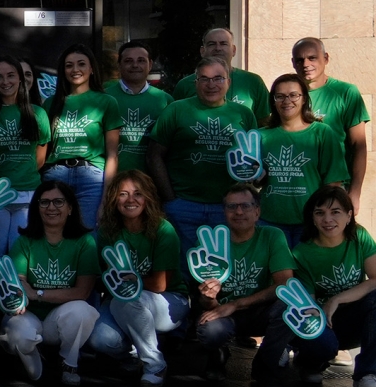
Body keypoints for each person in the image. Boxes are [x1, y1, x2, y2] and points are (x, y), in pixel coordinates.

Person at [87, 170, 191, 387]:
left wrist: (128, 281)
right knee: (99, 339)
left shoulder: (164, 230)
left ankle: (155, 364)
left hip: (169, 300)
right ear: (114, 199)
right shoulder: (107, 232)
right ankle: (132, 357)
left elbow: (160, 284)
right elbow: (107, 279)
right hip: (123, 302)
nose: (130, 199)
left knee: (129, 297)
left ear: (148, 198)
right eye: (123, 194)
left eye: (138, 193)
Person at [188, 184, 299, 382]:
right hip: (224, 314)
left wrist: (236, 304)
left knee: (289, 305)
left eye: (245, 206)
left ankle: (266, 362)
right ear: (224, 212)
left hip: (260, 311)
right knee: (210, 330)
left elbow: (285, 285)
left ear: (257, 212)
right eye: (232, 207)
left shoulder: (272, 236)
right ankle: (218, 354)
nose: (238, 211)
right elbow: (207, 304)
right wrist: (209, 298)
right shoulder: (209, 242)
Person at [147, 58, 258, 254]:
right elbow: (155, 155)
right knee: (183, 268)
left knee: (224, 270)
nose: (211, 85)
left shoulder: (244, 114)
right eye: (204, 79)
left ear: (228, 82)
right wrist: (171, 200)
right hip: (184, 205)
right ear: (195, 82)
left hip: (227, 208)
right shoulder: (176, 110)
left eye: (218, 78)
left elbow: (254, 159)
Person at [0, 182, 100, 386]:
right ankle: (31, 357)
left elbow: (82, 291)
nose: (51, 207)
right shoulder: (25, 240)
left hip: (59, 318)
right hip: (28, 314)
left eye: (58, 202)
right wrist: (22, 295)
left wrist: (37, 294)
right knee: (20, 337)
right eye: (44, 202)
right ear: (37, 208)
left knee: (83, 311)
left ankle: (68, 361)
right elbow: (18, 282)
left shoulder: (84, 242)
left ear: (70, 208)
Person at [291, 185, 376, 387]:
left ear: (348, 216)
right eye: (320, 213)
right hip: (322, 321)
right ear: (312, 218)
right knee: (318, 342)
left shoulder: (359, 236)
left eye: (335, 212)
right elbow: (307, 305)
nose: (327, 219)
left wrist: (336, 299)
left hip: (352, 318)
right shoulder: (302, 252)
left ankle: (366, 373)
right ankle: (310, 362)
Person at [0, 54, 51, 288]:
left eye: (10, 75)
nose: (5, 81)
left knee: (18, 260)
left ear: (21, 79)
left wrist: (21, 175)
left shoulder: (38, 113)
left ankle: (16, 311)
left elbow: (40, 158)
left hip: (28, 196)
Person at [42, 43, 121, 230]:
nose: (75, 69)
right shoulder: (51, 103)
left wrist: (106, 199)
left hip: (91, 177)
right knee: (55, 236)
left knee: (87, 238)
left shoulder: (107, 102)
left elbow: (112, 155)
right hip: (56, 175)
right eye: (69, 65)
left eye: (81, 64)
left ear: (92, 68)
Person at [259, 73, 342, 246]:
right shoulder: (260, 136)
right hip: (269, 220)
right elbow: (250, 182)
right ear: (273, 101)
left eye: (293, 95)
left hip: (309, 222)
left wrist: (325, 218)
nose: (287, 100)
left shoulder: (322, 133)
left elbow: (333, 183)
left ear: (304, 98)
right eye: (280, 96)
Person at [292, 37, 369, 210]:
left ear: (325, 58)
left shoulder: (346, 92)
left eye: (312, 58)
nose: (305, 64)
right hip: (297, 187)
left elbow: (359, 145)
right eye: (299, 59)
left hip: (335, 188)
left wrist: (355, 193)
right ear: (293, 63)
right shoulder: (288, 94)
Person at [173, 28, 271, 123]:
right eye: (212, 44)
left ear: (233, 50)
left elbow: (264, 123)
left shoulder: (253, 82)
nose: (218, 48)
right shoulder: (185, 85)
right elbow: (174, 121)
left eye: (223, 44)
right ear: (202, 51)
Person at [103, 41, 172, 174]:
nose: (135, 65)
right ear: (119, 65)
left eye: (141, 60)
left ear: (150, 64)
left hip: (152, 181)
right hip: (111, 178)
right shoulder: (103, 97)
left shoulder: (165, 100)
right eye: (128, 61)